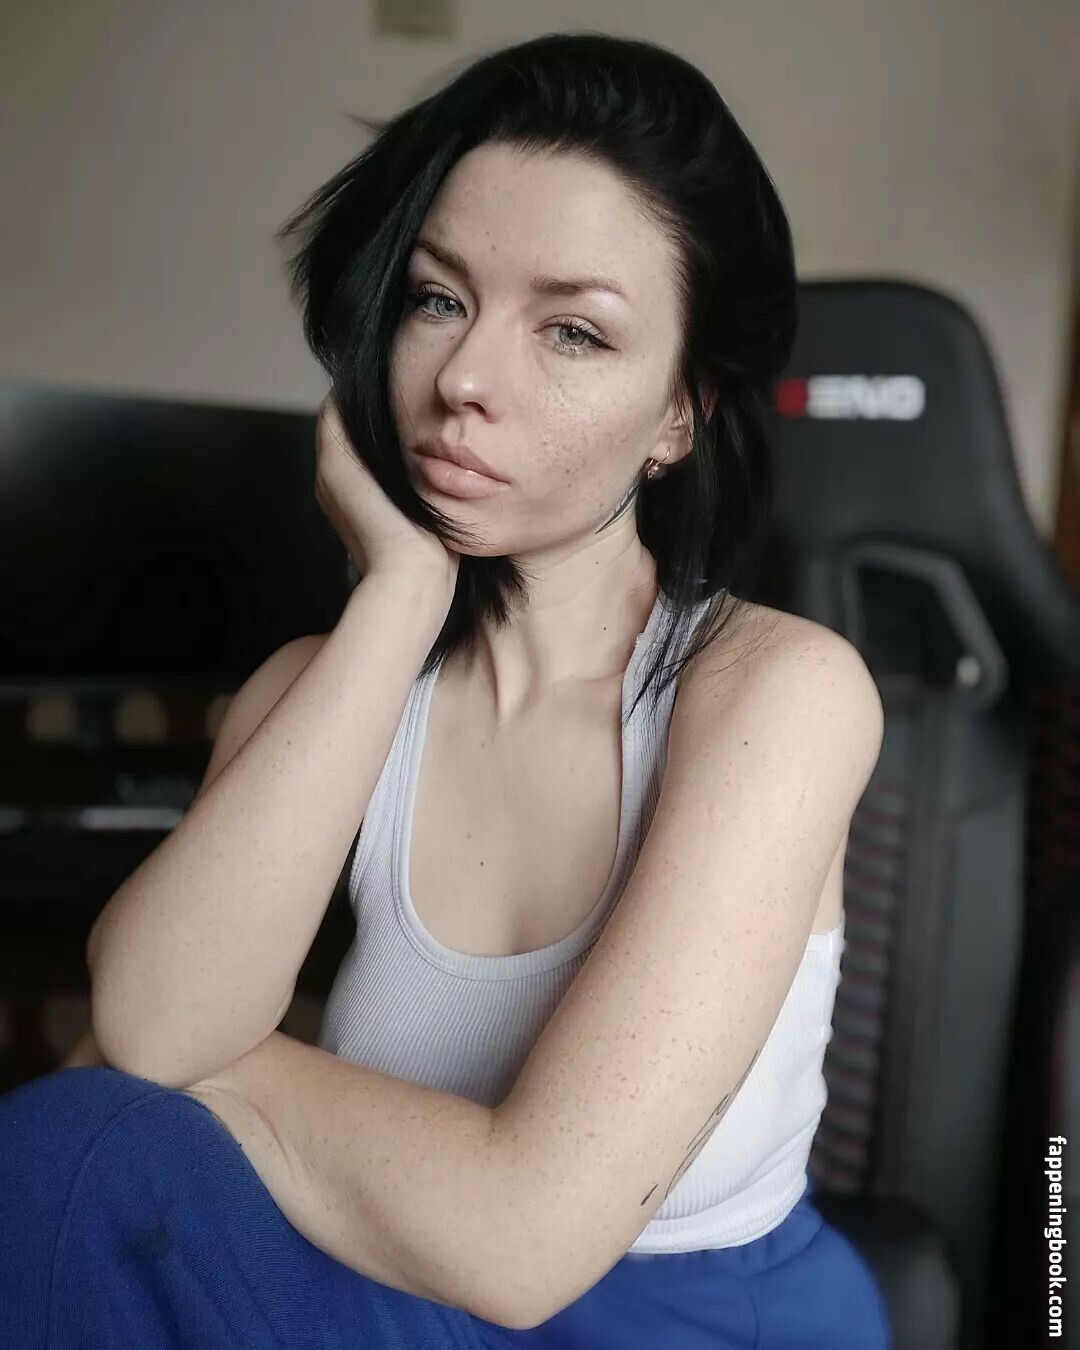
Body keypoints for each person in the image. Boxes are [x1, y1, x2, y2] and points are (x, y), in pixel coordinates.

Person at [0, 31, 892, 1348]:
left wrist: (208, 1072)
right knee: (58, 1159)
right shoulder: (326, 684)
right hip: (403, 1276)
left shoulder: (777, 690)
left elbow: (525, 1241)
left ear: (679, 413)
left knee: (81, 1138)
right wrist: (400, 593)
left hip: (684, 1319)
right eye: (436, 299)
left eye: (573, 331)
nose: (465, 380)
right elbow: (147, 1021)